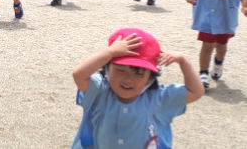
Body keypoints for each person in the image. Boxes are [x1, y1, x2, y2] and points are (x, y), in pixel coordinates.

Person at [71, 28, 204, 149]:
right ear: (107, 68)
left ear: (150, 77)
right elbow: (79, 74)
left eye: (139, 73)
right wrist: (109, 52)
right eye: (121, 70)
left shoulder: (159, 98)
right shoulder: (99, 91)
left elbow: (196, 92)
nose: (128, 79)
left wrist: (183, 61)